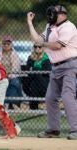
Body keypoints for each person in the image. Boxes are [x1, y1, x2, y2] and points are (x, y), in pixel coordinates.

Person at [27, 4, 77, 140]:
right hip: (55, 67)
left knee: (67, 96)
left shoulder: (68, 27)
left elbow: (58, 45)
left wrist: (42, 44)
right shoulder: (50, 27)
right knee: (50, 98)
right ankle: (53, 130)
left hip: (69, 65)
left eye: (54, 13)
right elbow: (38, 40)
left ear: (62, 14)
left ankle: (76, 129)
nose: (51, 16)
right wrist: (30, 23)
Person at [0, 35, 23, 109]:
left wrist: (9, 76)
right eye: (4, 43)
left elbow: (16, 69)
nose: (6, 45)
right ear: (2, 44)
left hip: (12, 76)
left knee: (15, 82)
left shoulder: (15, 54)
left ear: (11, 44)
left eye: (8, 44)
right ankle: (5, 103)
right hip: (0, 76)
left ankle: (13, 103)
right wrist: (3, 76)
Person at [22, 45, 51, 109]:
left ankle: (33, 106)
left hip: (44, 83)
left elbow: (47, 71)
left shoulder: (46, 58)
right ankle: (34, 107)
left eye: (39, 47)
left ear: (43, 47)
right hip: (32, 82)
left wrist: (35, 70)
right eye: (35, 47)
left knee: (35, 72)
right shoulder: (30, 57)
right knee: (33, 83)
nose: (37, 48)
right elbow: (27, 70)